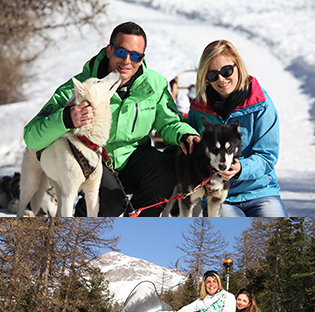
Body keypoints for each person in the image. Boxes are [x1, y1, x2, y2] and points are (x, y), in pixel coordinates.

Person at [23, 22, 200, 216]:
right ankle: (80, 235)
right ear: (109, 50)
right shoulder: (80, 87)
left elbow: (170, 122)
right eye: (121, 52)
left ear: (142, 58)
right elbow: (32, 136)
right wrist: (66, 118)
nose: (127, 61)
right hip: (93, 159)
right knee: (110, 202)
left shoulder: (154, 85)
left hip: (134, 157)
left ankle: (140, 226)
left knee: (165, 170)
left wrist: (186, 135)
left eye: (135, 55)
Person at [188, 40, 288, 217]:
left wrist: (241, 168)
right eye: (212, 75)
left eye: (227, 71)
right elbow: (194, 152)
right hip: (218, 195)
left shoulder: (260, 104)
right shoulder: (199, 110)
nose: (221, 79)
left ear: (238, 66)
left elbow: (267, 155)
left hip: (260, 191)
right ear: (205, 77)